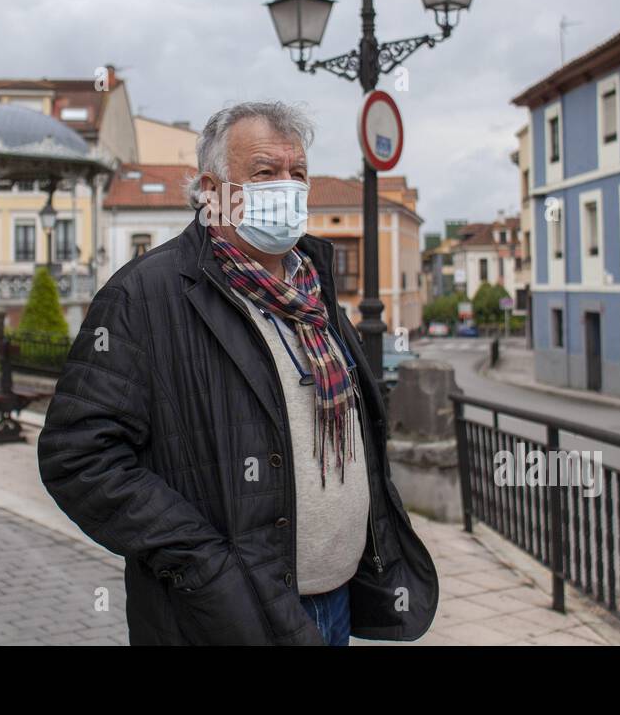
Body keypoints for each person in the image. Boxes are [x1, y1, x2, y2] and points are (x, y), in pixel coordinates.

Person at [37, 101, 438, 645]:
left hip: (338, 599)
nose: (289, 188)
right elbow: (78, 455)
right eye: (266, 174)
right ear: (212, 190)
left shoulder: (314, 295)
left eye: (298, 174)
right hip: (227, 618)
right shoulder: (145, 297)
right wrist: (204, 567)